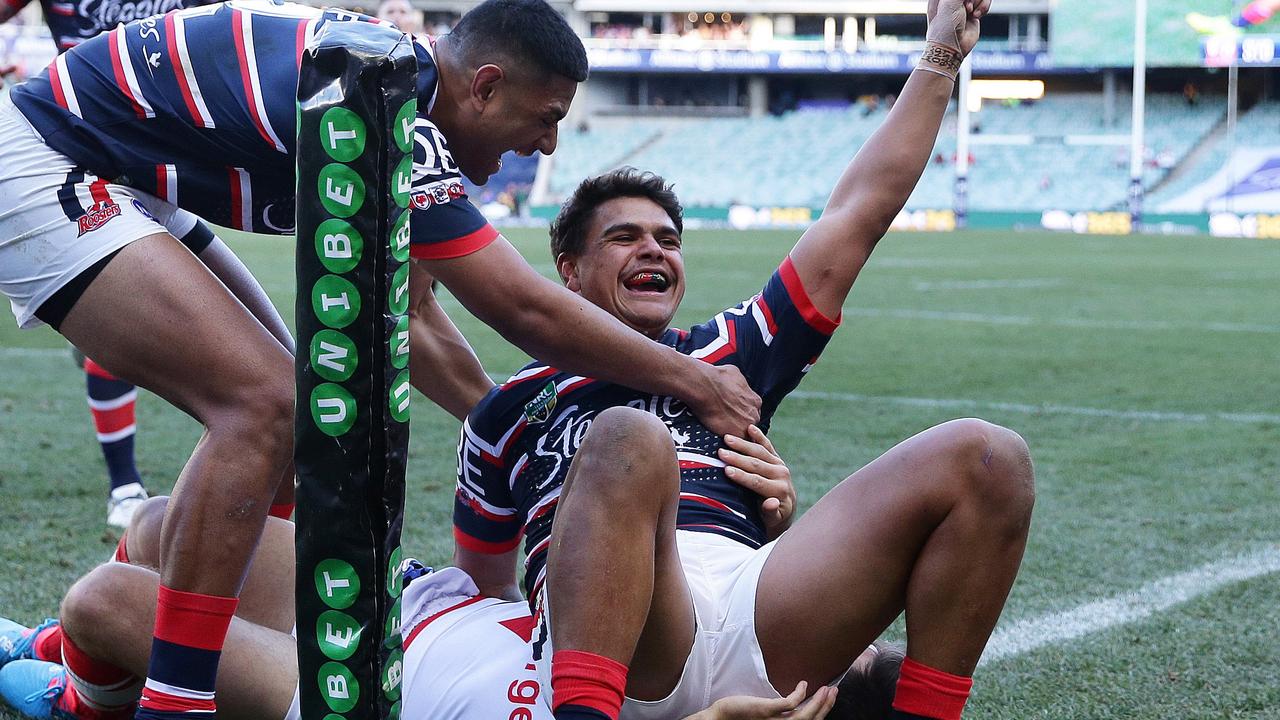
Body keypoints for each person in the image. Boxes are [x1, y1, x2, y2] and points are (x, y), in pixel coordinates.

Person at [0, 1, 759, 718]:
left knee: (306, 424)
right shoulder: (395, 106)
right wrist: (699, 382)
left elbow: (416, 314)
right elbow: (523, 308)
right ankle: (175, 701)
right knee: (267, 407)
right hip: (46, 155)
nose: (548, 146)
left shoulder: (391, 84)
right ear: (486, 87)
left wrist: (514, 431)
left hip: (117, 167)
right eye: (547, 118)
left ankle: (71, 673)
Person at [452, 3, 1034, 720]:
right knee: (628, 438)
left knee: (987, 457)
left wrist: (941, 54)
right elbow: (480, 593)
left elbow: (856, 213)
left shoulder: (729, 353)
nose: (655, 251)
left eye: (668, 240)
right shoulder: (505, 408)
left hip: (754, 603)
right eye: (625, 238)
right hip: (616, 645)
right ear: (569, 269)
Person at [0, 458, 864, 720]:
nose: (854, 635)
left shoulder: (710, 701)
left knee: (103, 604)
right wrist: (768, 520)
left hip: (363, 691)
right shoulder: (707, 659)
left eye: (854, 657)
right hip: (423, 604)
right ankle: (45, 652)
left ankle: (69, 697)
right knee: (161, 528)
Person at [0, 0, 291, 529]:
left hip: (143, 158)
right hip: (59, 144)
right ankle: (124, 487)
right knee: (267, 399)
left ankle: (262, 580)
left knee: (288, 390)